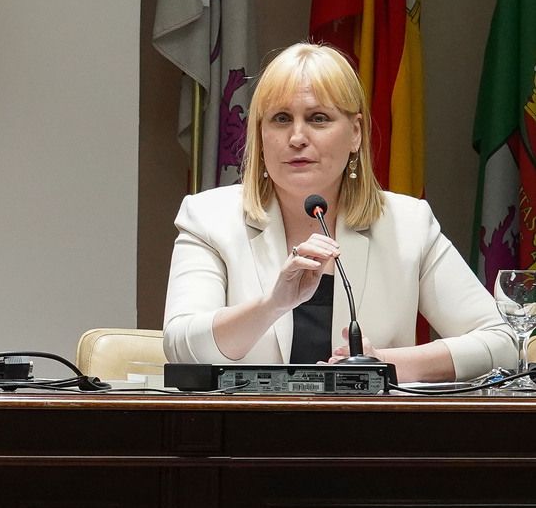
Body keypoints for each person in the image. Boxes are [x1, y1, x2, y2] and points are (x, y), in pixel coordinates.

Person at [163, 42, 513, 382]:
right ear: (261, 135)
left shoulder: (408, 224)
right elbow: (181, 345)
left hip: (368, 434)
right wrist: (271, 305)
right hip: (243, 434)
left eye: (318, 118)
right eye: (281, 119)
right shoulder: (208, 218)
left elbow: (503, 342)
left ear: (355, 133)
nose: (297, 137)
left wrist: (385, 365)